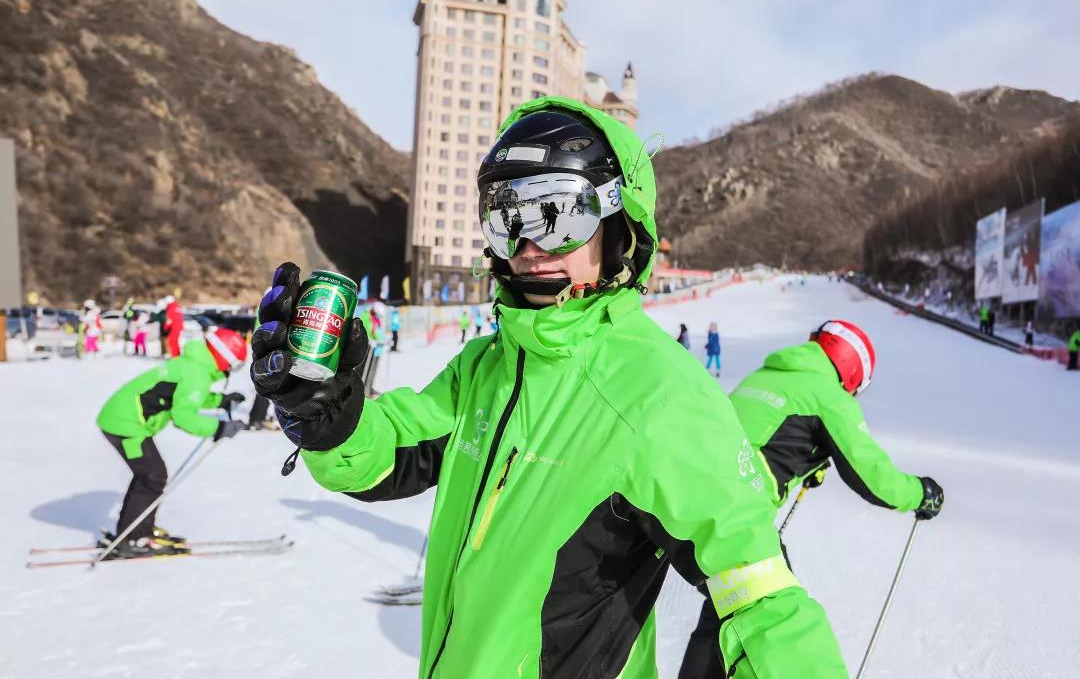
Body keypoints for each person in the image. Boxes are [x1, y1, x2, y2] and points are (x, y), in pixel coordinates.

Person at [251, 98, 847, 678]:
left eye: (560, 215)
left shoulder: (659, 394)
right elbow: (394, 450)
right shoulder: (488, 364)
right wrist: (332, 422)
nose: (530, 246)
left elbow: (761, 593)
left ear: (620, 227)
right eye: (507, 217)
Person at [679, 320, 944, 677]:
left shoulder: (769, 373)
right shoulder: (826, 395)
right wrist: (921, 493)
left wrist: (801, 458)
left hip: (686, 496)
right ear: (853, 374)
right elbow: (874, 478)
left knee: (724, 609)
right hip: (733, 515)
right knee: (780, 621)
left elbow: (761, 431)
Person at [95, 328, 247, 556]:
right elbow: (183, 416)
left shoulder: (194, 365)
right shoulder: (198, 372)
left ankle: (138, 529)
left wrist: (220, 400)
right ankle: (134, 538)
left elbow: (184, 396)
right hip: (125, 424)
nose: (230, 371)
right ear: (224, 357)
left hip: (123, 419)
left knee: (150, 475)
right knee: (152, 475)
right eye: (233, 365)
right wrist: (219, 427)